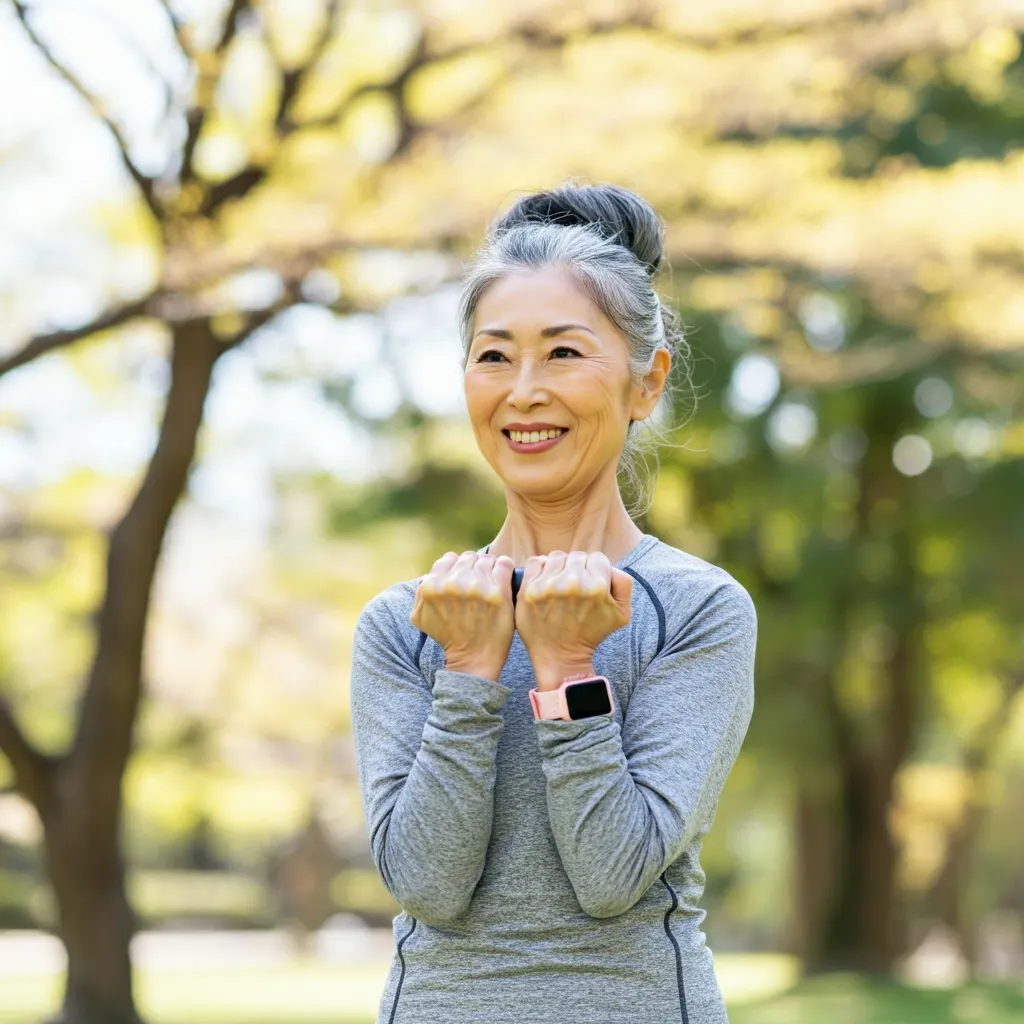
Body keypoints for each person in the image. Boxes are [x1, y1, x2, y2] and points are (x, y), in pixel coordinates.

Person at [349, 180, 757, 1023]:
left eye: (564, 354)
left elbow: (612, 878)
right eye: (494, 356)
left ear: (646, 384)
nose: (523, 391)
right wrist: (467, 669)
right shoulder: (410, 622)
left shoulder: (699, 609)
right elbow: (427, 882)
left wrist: (568, 667)